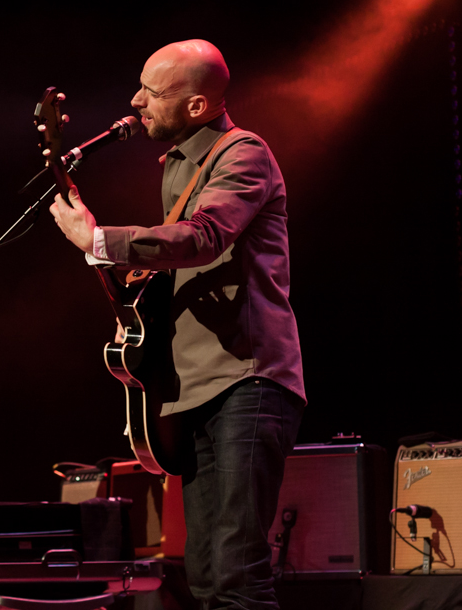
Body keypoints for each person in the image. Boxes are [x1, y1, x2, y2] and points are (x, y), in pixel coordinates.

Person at [49, 40, 306, 610]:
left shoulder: (244, 153)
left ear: (196, 106)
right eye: (140, 85)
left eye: (154, 92)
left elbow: (205, 237)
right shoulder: (177, 166)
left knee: (238, 569)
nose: (136, 101)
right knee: (207, 572)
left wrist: (98, 240)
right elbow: (174, 269)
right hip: (194, 386)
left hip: (248, 377)